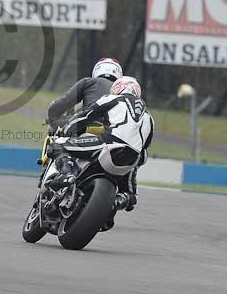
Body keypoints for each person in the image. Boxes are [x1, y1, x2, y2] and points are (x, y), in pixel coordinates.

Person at [46, 76, 153, 229]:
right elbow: (145, 147)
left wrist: (66, 129)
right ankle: (118, 201)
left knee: (58, 146)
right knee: (130, 195)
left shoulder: (112, 99)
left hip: (108, 144)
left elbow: (85, 116)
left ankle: (66, 175)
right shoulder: (149, 117)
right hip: (132, 158)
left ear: (120, 88)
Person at [46, 58, 123, 130]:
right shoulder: (124, 89)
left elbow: (65, 101)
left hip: (87, 125)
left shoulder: (87, 82)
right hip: (114, 131)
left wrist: (52, 116)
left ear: (96, 71)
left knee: (54, 129)